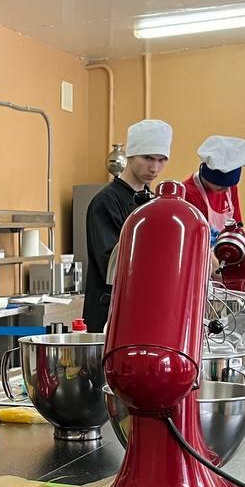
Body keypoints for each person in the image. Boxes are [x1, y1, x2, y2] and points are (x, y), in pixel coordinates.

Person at [83, 119, 172, 332]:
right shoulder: (106, 202)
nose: (154, 168)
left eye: (161, 160)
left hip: (142, 312)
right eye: (148, 158)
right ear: (130, 155)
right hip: (110, 316)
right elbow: (113, 265)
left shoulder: (153, 202)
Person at [183, 136, 245, 242]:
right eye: (221, 186)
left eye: (229, 186)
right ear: (207, 176)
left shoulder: (231, 189)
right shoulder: (188, 193)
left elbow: (237, 226)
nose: (226, 191)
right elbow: (191, 239)